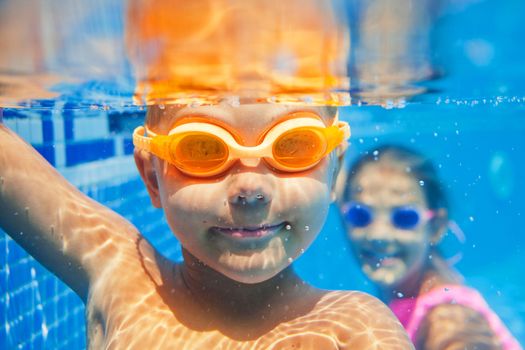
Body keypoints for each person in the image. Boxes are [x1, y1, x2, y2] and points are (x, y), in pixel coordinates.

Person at [0, 104, 414, 348]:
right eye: (201, 149)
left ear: (335, 170)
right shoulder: (121, 275)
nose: (250, 188)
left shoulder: (355, 329)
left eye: (293, 146)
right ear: (151, 177)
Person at [339, 144, 521, 349]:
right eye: (360, 215)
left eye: (404, 218)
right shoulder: (420, 278)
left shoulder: (447, 319)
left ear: (435, 227)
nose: (378, 235)